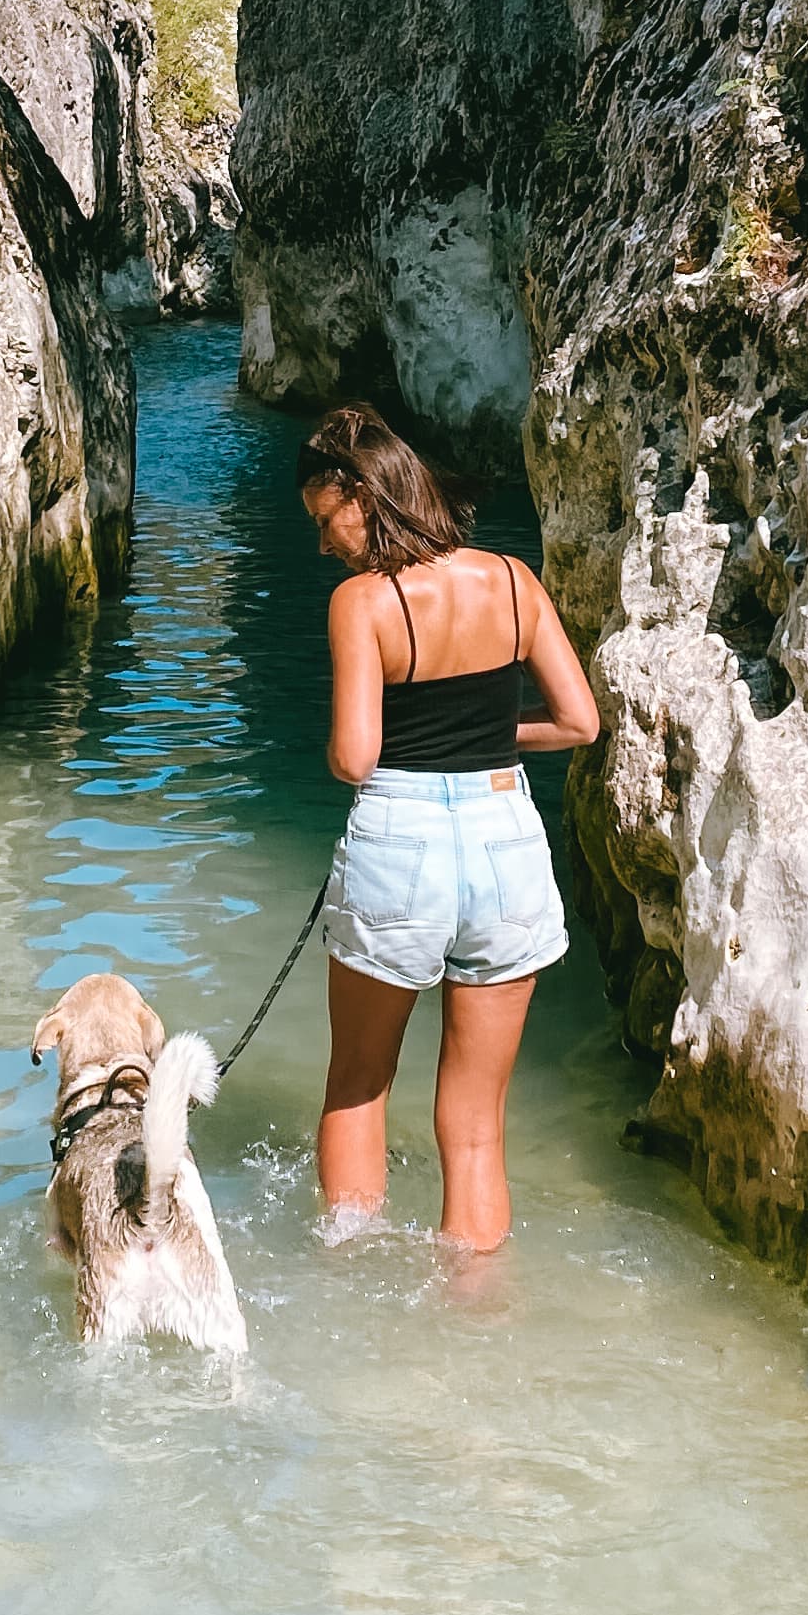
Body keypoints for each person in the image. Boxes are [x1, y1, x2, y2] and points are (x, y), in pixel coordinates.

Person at [297, 405, 602, 1251]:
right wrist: (484, 739)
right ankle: (473, 1313)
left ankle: (353, 1290)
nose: (325, 544)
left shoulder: (363, 602)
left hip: (401, 838)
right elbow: (579, 723)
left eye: (327, 521)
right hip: (507, 834)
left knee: (357, 1085)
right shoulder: (512, 579)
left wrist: (385, 742)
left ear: (363, 493)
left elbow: (356, 758)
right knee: (477, 1126)